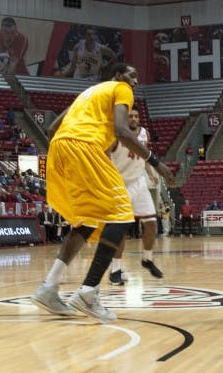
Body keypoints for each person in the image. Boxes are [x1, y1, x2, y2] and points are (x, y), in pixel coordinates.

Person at [31, 64, 172, 322]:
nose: (136, 82)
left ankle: (49, 287)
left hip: (60, 149)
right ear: (118, 76)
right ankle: (88, 291)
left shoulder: (90, 93)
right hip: (84, 147)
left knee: (87, 220)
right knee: (121, 214)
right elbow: (121, 129)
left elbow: (52, 128)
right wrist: (155, 162)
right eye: (132, 76)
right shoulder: (121, 89)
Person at [107, 110, 165, 285]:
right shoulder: (116, 134)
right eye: (130, 116)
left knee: (151, 223)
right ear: (124, 118)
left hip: (139, 182)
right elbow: (103, 155)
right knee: (121, 229)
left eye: (136, 116)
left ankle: (147, 259)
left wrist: (151, 173)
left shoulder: (144, 133)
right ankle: (115, 269)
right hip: (120, 184)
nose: (133, 119)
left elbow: (144, 155)